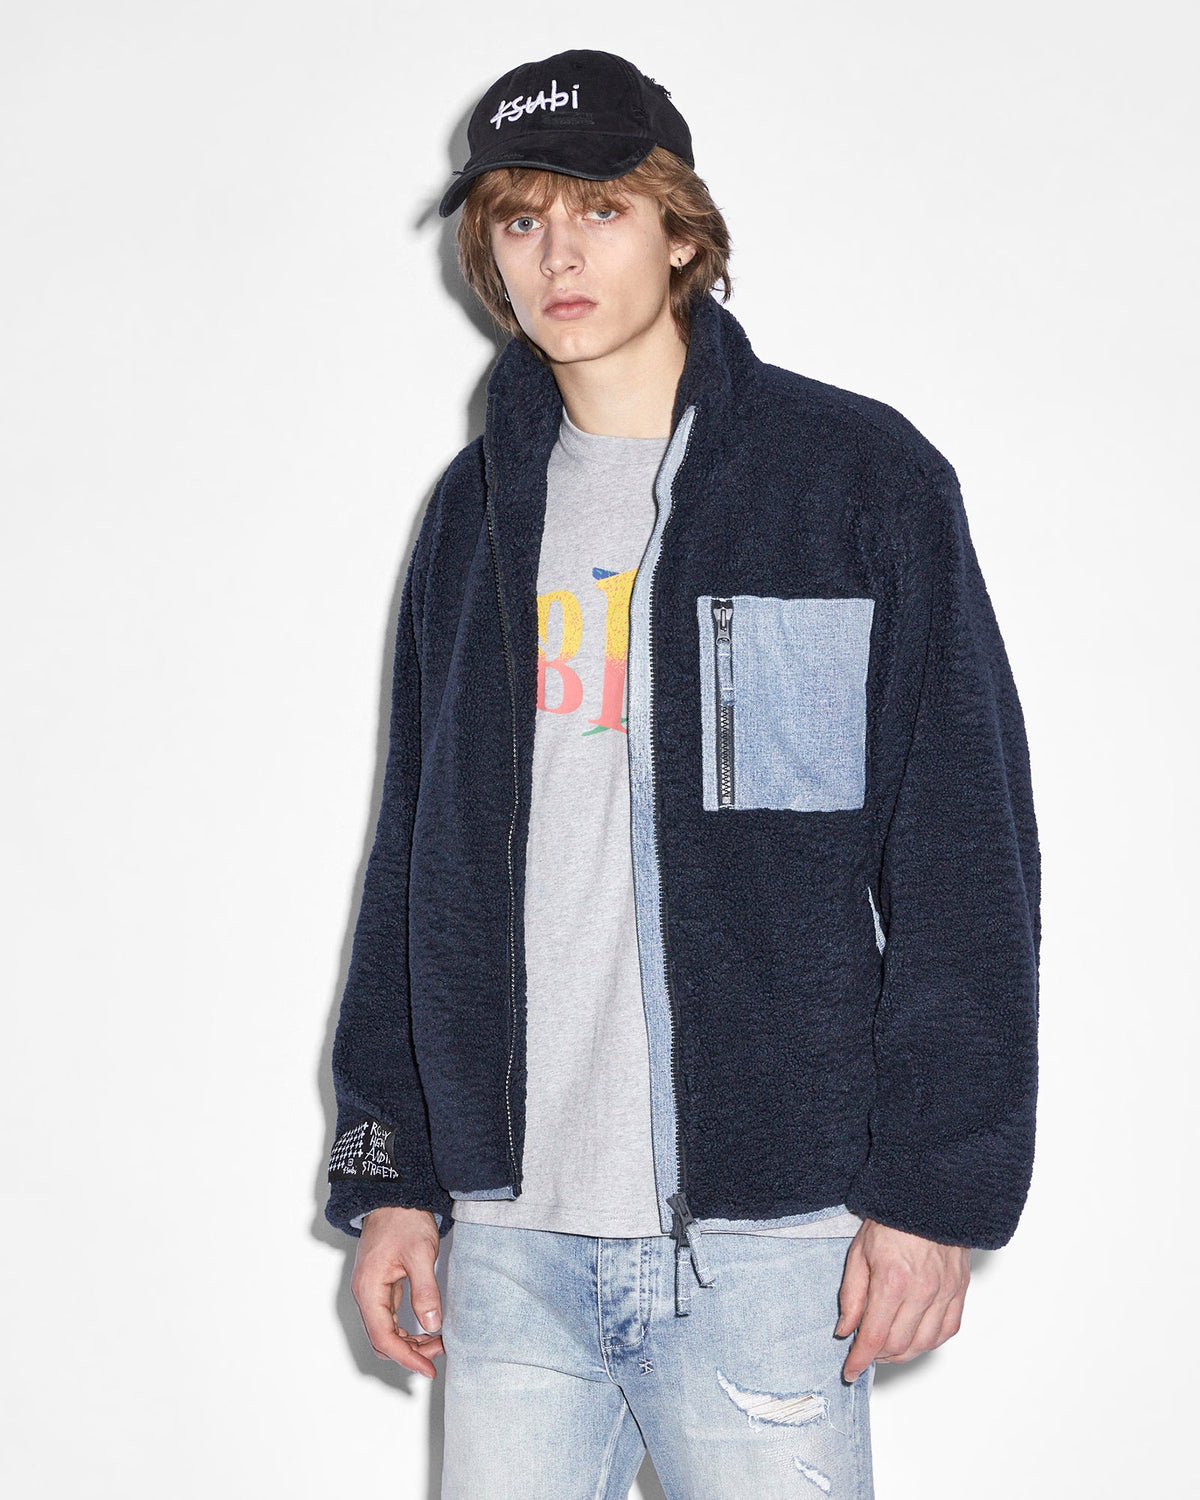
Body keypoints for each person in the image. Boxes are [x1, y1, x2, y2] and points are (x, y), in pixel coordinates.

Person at [324, 47, 1041, 1500]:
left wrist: (934, 1192)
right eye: (520, 219)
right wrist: (392, 1175)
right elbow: (415, 858)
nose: (559, 254)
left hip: (772, 1240)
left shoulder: (855, 481)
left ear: (680, 233)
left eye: (600, 209)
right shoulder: (473, 517)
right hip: (511, 1237)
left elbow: (966, 855)